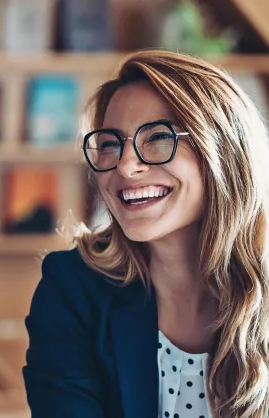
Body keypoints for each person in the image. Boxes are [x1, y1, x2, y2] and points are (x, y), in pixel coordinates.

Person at [23, 49, 269, 417]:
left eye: (157, 137)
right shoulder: (72, 288)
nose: (125, 166)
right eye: (109, 144)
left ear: (224, 152)